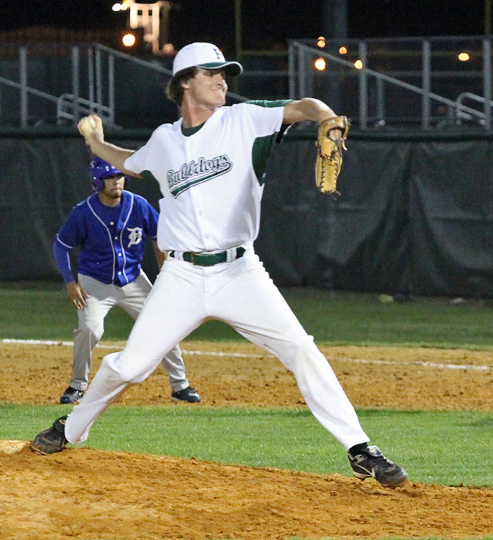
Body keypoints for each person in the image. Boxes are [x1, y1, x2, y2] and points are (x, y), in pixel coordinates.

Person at [32, 42, 408, 488]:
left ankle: (360, 448)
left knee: (301, 350)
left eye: (224, 72)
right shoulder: (165, 140)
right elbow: (129, 164)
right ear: (185, 82)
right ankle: (70, 428)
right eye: (211, 72)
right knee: (130, 367)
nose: (222, 79)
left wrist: (326, 118)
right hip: (182, 276)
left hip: (240, 272)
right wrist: (94, 142)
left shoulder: (245, 119)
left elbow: (303, 106)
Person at [52, 156, 201, 405]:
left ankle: (180, 385)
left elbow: (159, 237)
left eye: (119, 176)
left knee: (164, 325)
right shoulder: (84, 213)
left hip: (133, 279)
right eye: (109, 178)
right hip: (95, 283)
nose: (115, 182)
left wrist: (166, 275)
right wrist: (70, 281)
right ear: (97, 182)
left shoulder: (138, 205)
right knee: (90, 329)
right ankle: (77, 385)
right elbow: (60, 246)